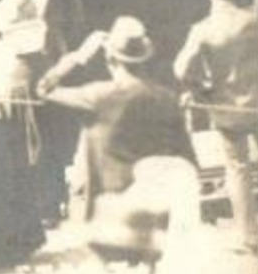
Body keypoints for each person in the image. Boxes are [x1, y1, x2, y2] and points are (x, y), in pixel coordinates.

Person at [37, 17, 196, 220]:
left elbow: (44, 89)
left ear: (110, 59)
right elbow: (187, 159)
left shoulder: (98, 97)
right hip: (156, 212)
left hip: (111, 212)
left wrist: (79, 56)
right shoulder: (168, 100)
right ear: (146, 58)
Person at [173, 0, 258, 253]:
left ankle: (247, 237)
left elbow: (181, 69)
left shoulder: (203, 29)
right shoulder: (256, 20)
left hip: (226, 109)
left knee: (237, 170)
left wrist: (200, 88)